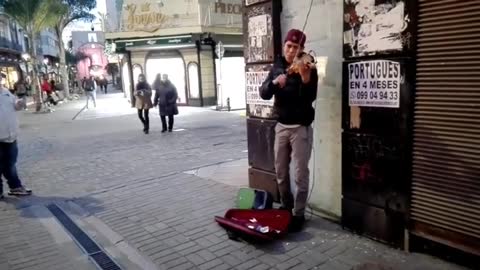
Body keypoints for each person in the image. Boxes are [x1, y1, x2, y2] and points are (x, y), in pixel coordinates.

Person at [260, 29, 318, 232]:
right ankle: (286, 205)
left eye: (296, 47)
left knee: (300, 174)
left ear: (302, 49)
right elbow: (264, 92)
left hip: (300, 127)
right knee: (281, 172)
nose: (292, 51)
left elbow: (311, 97)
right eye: (289, 46)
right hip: (281, 127)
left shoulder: (308, 67)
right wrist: (276, 83)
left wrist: (305, 78)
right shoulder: (276, 67)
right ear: (284, 46)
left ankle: (299, 213)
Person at [0, 73, 32, 199]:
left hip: (11, 137)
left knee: (10, 164)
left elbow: (15, 106)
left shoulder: (6, 92)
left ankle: (15, 187)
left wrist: (20, 102)